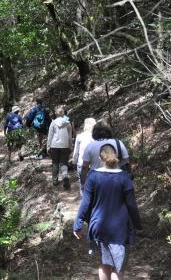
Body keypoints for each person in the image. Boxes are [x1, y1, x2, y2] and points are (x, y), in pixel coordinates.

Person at [73, 144, 142, 280]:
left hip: (99, 227)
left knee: (104, 264)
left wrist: (78, 224)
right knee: (118, 268)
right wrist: (138, 224)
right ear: (116, 158)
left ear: (100, 158)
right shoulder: (124, 177)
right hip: (120, 230)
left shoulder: (93, 176)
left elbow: (86, 203)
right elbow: (131, 205)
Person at [80, 120, 130, 190]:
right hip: (116, 180)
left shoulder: (90, 146)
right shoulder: (118, 143)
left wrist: (83, 183)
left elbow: (85, 166)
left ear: (94, 132)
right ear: (109, 131)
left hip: (96, 182)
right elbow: (126, 161)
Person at [46, 106, 73, 189]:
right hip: (65, 146)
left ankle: (55, 180)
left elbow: (50, 136)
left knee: (55, 163)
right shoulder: (67, 123)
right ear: (63, 113)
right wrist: (70, 146)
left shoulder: (53, 123)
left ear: (56, 114)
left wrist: (48, 147)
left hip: (54, 146)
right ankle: (65, 176)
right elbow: (70, 136)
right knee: (64, 163)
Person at [72, 117, 97, 195]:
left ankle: (84, 204)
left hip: (81, 164)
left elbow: (76, 151)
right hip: (94, 165)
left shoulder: (79, 136)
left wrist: (74, 162)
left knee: (83, 187)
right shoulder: (96, 137)